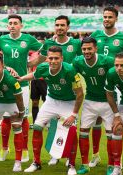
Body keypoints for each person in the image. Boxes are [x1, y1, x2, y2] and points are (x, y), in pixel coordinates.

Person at [20, 46, 84, 175]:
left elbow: (80, 94)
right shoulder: (43, 68)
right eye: (50, 58)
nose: (53, 61)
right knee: (37, 127)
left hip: (68, 103)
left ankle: (71, 165)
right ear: (47, 58)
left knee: (71, 130)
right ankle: (36, 162)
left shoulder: (70, 70)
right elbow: (34, 75)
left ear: (62, 58)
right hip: (51, 101)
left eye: (56, 58)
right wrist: (21, 78)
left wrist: (74, 114)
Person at [0, 14, 43, 162]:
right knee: (6, 118)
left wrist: (32, 63)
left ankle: (25, 149)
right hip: (5, 83)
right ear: (7, 26)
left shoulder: (28, 39)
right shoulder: (2, 40)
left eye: (15, 23)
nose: (12, 25)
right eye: (10, 23)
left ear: (21, 25)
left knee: (22, 117)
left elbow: (44, 51)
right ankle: (4, 149)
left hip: (23, 84)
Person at [36, 15, 83, 166]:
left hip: (70, 93)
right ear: (54, 27)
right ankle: (54, 154)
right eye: (57, 25)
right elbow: (40, 61)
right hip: (53, 91)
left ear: (68, 27)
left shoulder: (76, 43)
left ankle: (70, 156)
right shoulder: (48, 43)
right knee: (53, 125)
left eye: (63, 25)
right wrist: (24, 66)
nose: (60, 27)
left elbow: (83, 61)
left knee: (69, 128)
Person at [89, 6, 123, 167]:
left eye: (110, 17)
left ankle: (116, 160)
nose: (106, 19)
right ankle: (95, 155)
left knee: (115, 122)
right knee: (96, 120)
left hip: (116, 85)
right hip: (97, 83)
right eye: (105, 17)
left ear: (116, 19)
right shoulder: (95, 35)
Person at [72, 37, 115, 174]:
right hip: (90, 101)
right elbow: (69, 74)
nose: (86, 51)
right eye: (84, 49)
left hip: (108, 102)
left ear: (96, 48)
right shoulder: (78, 61)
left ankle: (112, 165)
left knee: (111, 135)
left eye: (89, 48)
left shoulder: (107, 61)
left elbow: (122, 69)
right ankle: (84, 165)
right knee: (83, 132)